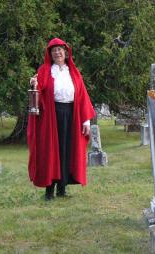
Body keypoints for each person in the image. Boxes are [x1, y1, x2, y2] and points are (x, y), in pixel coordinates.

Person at [27, 38, 95, 200]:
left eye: (60, 50)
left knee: (67, 150)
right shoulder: (44, 71)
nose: (57, 53)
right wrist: (34, 84)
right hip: (51, 115)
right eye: (54, 50)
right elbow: (38, 92)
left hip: (72, 114)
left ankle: (62, 189)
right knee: (50, 152)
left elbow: (82, 96)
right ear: (50, 54)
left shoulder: (74, 72)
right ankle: (49, 191)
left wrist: (86, 120)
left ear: (66, 53)